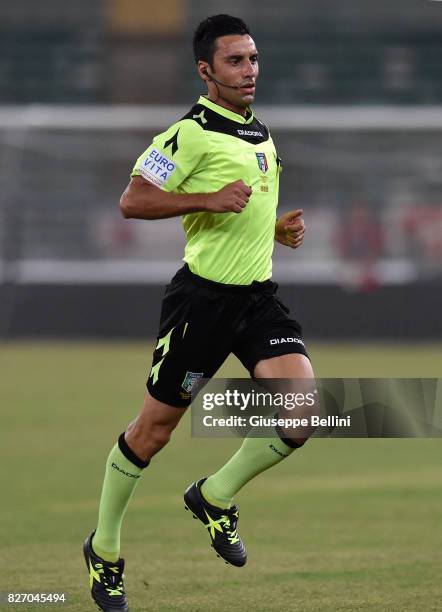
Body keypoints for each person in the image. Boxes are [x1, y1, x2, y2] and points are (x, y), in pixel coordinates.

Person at [83, 14, 315, 612]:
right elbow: (132, 199)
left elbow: (245, 213)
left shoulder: (259, 130)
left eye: (254, 59)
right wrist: (204, 198)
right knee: (152, 432)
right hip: (202, 304)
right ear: (206, 70)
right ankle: (103, 550)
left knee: (303, 415)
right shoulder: (188, 133)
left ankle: (214, 496)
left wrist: (278, 231)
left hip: (258, 299)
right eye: (236, 61)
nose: (250, 71)